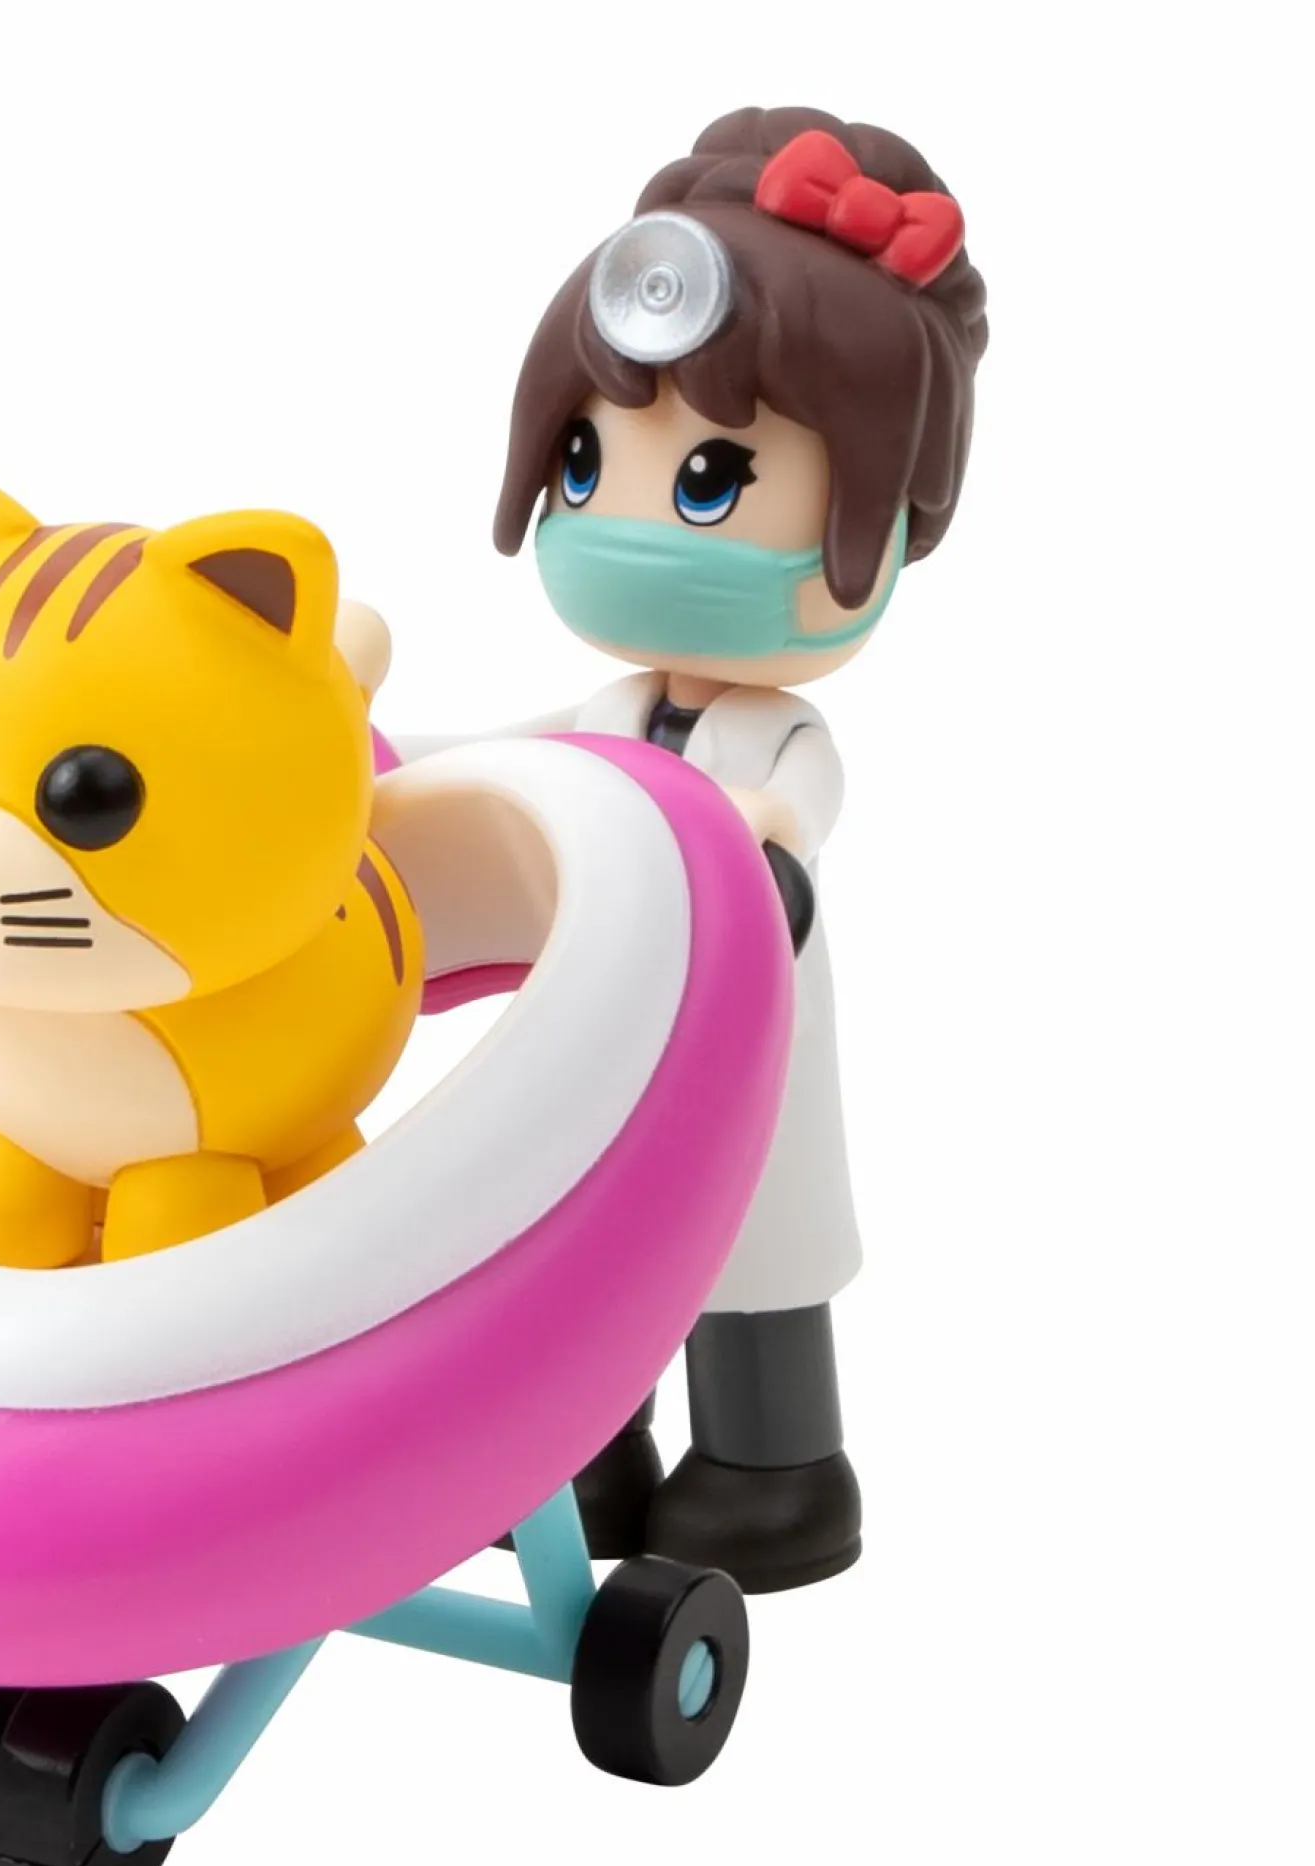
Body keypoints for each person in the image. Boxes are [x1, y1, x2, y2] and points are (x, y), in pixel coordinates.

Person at [406, 106, 989, 1590]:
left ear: (883, 526)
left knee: (746, 1269)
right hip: (597, 1046)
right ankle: (586, 1454)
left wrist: (753, 855)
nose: (624, 524)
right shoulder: (612, 710)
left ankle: (774, 1470)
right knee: (583, 1259)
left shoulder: (770, 741)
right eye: (584, 462)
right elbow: (506, 761)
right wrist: (383, 765)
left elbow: (796, 811)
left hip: (743, 1048)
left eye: (712, 483)